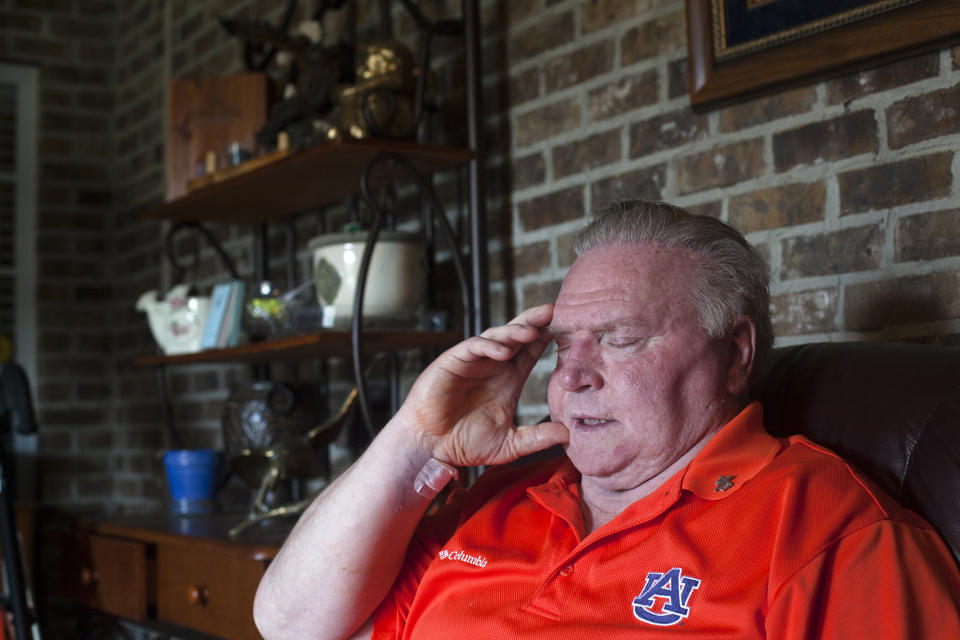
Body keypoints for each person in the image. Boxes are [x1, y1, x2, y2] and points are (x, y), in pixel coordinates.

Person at [253, 200, 960, 639]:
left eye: (619, 339)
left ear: (736, 354)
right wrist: (418, 443)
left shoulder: (828, 533)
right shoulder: (500, 501)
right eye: (564, 346)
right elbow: (288, 625)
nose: (573, 375)